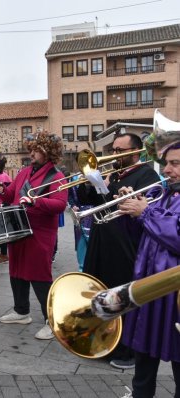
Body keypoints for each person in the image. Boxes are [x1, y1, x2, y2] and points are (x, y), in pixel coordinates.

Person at [78, 132, 160, 369]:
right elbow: (90, 201)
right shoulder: (114, 173)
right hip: (102, 240)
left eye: (119, 150)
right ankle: (104, 340)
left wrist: (109, 189)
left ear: (134, 152)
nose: (113, 154)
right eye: (113, 149)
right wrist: (90, 181)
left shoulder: (147, 175)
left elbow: (138, 209)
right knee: (100, 287)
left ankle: (127, 350)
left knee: (121, 295)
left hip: (125, 245)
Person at [117, 138, 180, 398]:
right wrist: (129, 208)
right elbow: (140, 234)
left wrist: (145, 213)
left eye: (175, 163)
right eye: (166, 163)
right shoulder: (163, 195)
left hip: (176, 297)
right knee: (143, 361)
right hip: (149, 290)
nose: (166, 169)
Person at [0, 131, 67, 340]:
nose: (31, 153)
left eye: (36, 150)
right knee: (16, 270)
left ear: (48, 153)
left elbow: (60, 205)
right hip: (19, 230)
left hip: (40, 233)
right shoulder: (24, 172)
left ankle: (51, 322)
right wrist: (1, 190)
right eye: (31, 149)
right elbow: (11, 195)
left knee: (40, 276)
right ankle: (21, 311)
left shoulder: (57, 176)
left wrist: (37, 202)